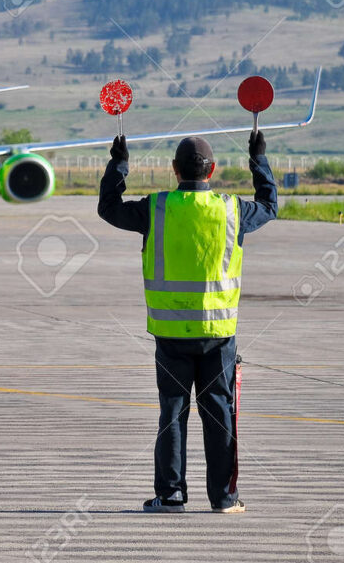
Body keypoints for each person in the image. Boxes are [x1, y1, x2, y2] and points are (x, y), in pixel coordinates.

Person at [97, 131, 275, 514]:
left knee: (173, 414)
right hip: (218, 333)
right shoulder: (232, 210)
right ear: (213, 170)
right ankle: (225, 498)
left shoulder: (156, 208)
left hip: (172, 331)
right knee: (219, 413)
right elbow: (270, 204)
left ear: (174, 170)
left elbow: (109, 208)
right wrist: (258, 159)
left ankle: (172, 495)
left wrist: (119, 163)